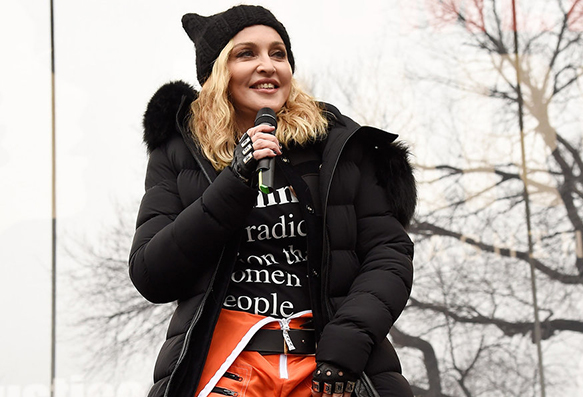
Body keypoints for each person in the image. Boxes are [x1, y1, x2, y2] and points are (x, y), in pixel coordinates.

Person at [129, 5, 417, 397]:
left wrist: (345, 347)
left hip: (329, 372)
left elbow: (389, 253)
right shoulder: (180, 154)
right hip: (226, 372)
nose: (267, 65)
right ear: (217, 73)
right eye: (246, 53)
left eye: (277, 53)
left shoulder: (336, 144)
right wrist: (234, 181)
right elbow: (151, 274)